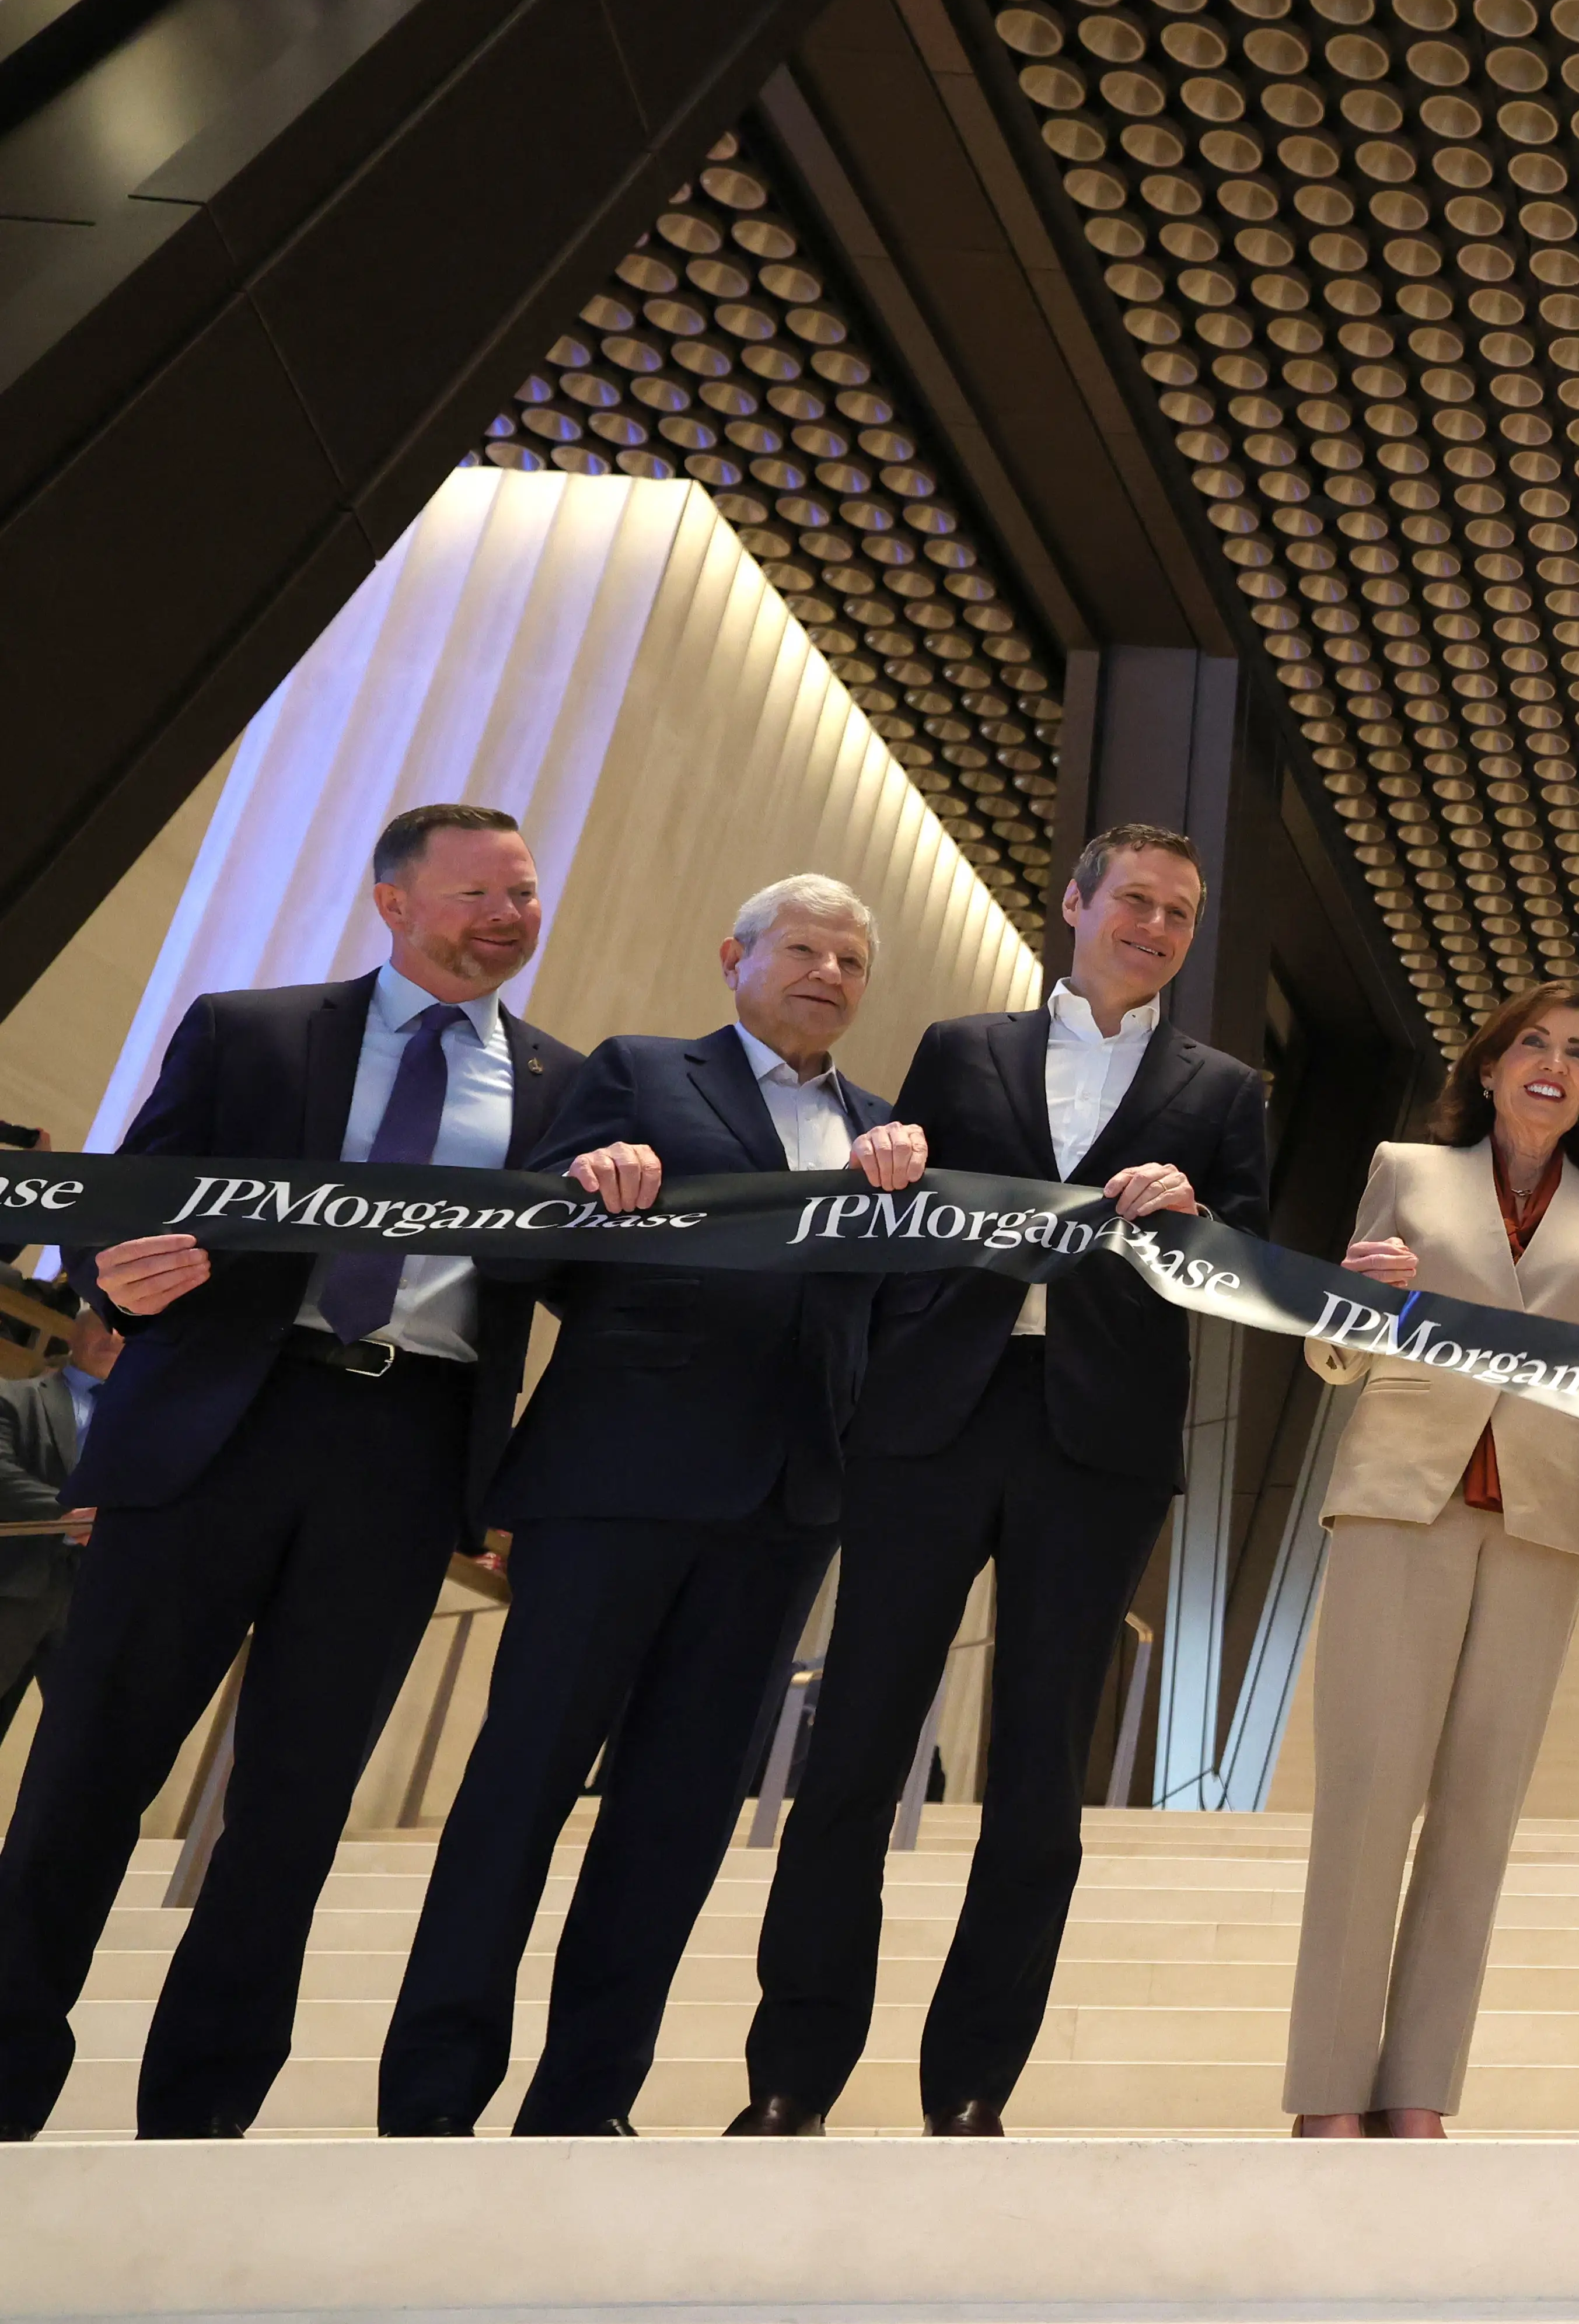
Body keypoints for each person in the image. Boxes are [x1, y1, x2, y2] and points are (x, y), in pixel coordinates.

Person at [0, 803, 572, 2140]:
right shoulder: (252, 1028)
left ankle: (201, 2123)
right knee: (89, 1766)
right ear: (392, 901)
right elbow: (115, 1215)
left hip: (405, 1448)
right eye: (479, 892)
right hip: (214, 1432)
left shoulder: (560, 1087)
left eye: (525, 894)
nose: (508, 916)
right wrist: (108, 1274)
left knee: (294, 1807)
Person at [733, 826, 1272, 2137]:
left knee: (1038, 1776)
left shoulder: (1223, 1089)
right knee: (854, 1750)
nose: (1155, 927)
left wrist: (1195, 1213)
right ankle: (791, 2079)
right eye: (1135, 901)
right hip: (932, 1425)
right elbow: (903, 1211)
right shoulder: (963, 1047)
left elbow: (1244, 1266)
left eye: (1181, 915)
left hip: (1098, 1449)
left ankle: (974, 2087)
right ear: (1078, 904)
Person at [376, 876, 930, 2136]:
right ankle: (431, 2100)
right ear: (734, 956)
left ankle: (585, 2105)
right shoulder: (640, 1073)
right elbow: (523, 1245)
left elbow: (891, 1327)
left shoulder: (887, 1132)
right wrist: (587, 1176)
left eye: (851, 961)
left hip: (781, 1511)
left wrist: (910, 1211)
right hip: (615, 1482)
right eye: (802, 948)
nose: (828, 975)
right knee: (517, 1793)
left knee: (676, 1823)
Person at [1287, 984, 1579, 2137]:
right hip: (1401, 1503)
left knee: (1478, 1814)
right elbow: (1332, 1358)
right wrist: (1361, 1301)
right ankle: (1326, 2098)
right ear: (1493, 1063)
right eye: (1535, 1045)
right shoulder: (1406, 1171)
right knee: (1366, 1803)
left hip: (1541, 1523)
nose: (1555, 1065)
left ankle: (1415, 2093)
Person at [0, 1304, 114, 1727]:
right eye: (105, 1325)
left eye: (128, 1332)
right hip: (11, 1586)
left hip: (88, 1599)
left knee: (80, 1733)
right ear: (75, 1332)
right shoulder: (14, 1397)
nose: (115, 1338)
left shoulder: (143, 1424)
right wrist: (69, 1514)